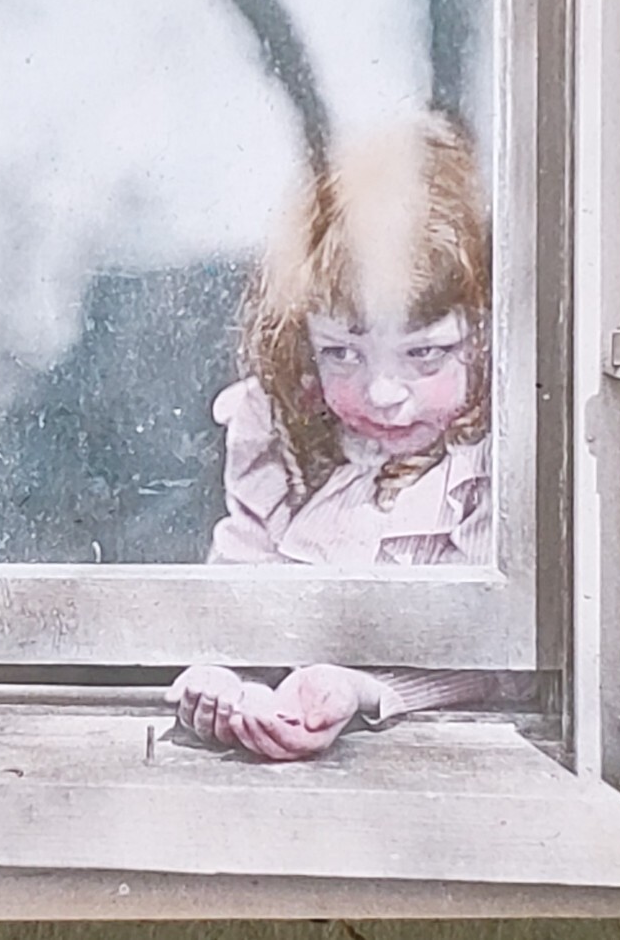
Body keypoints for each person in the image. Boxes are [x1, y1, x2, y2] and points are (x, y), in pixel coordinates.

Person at [165, 113, 532, 760]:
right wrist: (231, 678)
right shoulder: (281, 435)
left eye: (426, 354)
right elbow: (240, 589)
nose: (383, 393)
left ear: (485, 333)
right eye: (341, 353)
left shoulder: (492, 459)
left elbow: (497, 651)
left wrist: (360, 687)